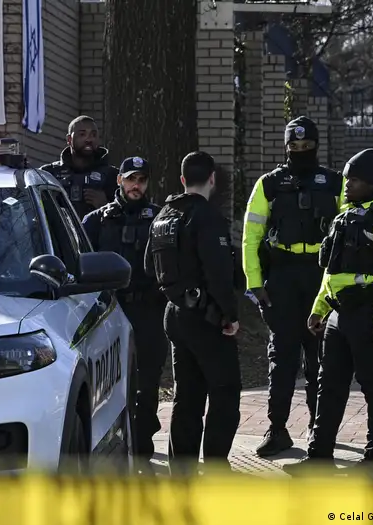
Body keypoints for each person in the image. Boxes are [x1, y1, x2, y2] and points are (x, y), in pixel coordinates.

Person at [283, 148, 373, 475]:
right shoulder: (345, 216)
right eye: (347, 178)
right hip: (339, 317)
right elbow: (332, 270)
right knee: (329, 386)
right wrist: (320, 307)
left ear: (372, 182)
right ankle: (318, 455)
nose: (347, 185)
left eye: (354, 179)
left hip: (371, 315)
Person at [242, 116, 345, 457]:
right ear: (285, 148)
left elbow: (347, 236)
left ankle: (320, 428)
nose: (300, 152)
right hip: (283, 276)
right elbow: (250, 238)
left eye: (307, 147)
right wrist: (255, 286)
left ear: (316, 146)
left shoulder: (334, 183)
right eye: (294, 147)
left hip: (320, 276)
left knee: (320, 358)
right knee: (282, 357)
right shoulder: (269, 185)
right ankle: (277, 428)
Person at [144, 151, 242, 475]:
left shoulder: (163, 216)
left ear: (183, 180)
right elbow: (218, 272)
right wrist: (229, 315)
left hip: (175, 315)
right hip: (206, 319)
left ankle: (181, 471)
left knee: (187, 396)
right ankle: (215, 466)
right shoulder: (208, 218)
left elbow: (149, 266)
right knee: (225, 391)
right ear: (211, 178)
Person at [81, 156, 167, 473]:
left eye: (142, 180)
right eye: (131, 179)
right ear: (119, 181)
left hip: (148, 311)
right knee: (109, 381)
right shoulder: (96, 221)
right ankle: (112, 443)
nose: (136, 186)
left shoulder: (159, 219)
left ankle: (142, 443)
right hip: (110, 312)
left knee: (147, 379)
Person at [39, 116, 118, 218]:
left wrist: (106, 205)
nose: (89, 139)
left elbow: (128, 217)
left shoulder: (113, 176)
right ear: (69, 139)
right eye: (82, 134)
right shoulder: (49, 174)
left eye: (93, 135)